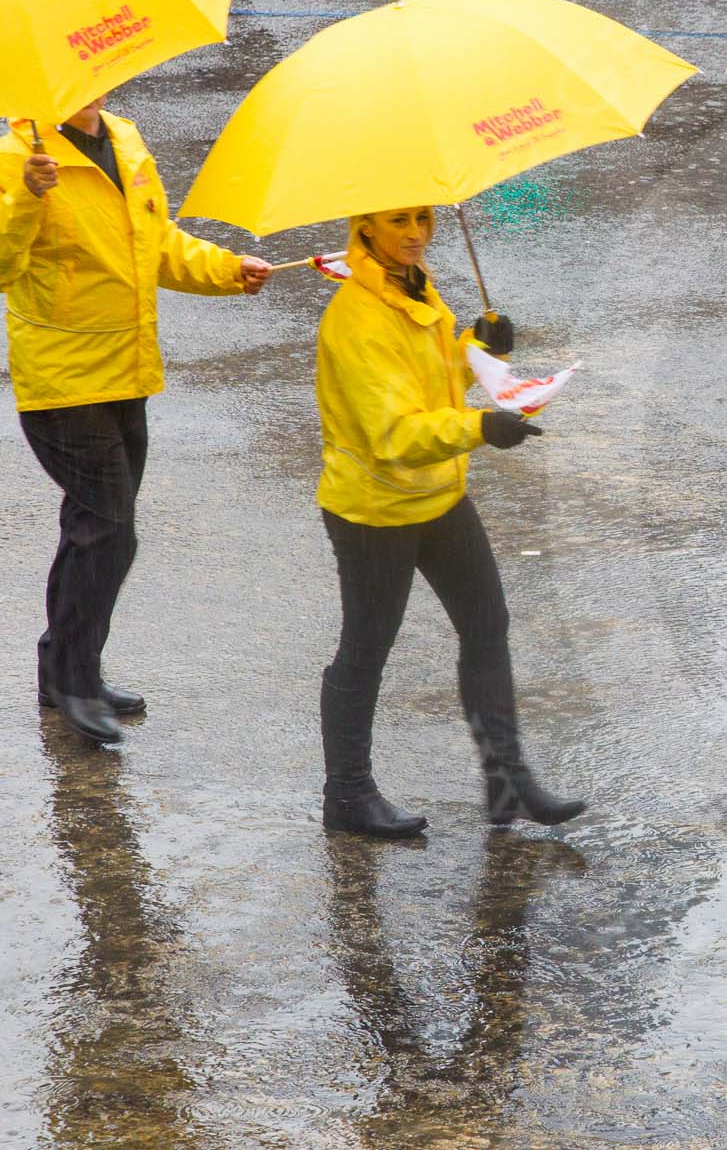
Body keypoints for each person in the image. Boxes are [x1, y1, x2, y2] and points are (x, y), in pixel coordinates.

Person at [0, 98, 272, 746]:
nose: (90, 85)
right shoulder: (18, 155)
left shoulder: (124, 138)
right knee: (111, 529)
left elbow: (157, 244)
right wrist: (26, 201)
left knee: (92, 526)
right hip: (63, 381)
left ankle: (69, 669)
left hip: (128, 371)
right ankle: (73, 681)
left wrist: (231, 269)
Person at [315, 208, 585, 839]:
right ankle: (347, 794)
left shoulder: (411, 283)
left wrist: (475, 349)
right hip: (375, 508)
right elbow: (392, 433)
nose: (415, 232)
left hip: (437, 494)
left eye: (423, 218)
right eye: (398, 221)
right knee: (365, 650)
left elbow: (427, 378)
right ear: (366, 227)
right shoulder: (355, 318)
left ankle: (507, 781)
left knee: (487, 625)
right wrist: (480, 427)